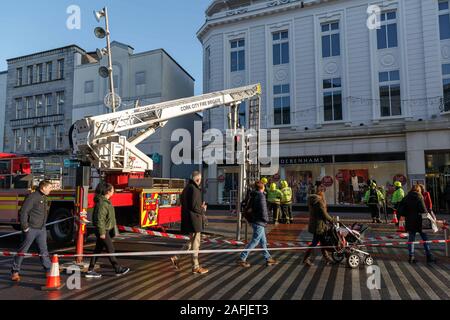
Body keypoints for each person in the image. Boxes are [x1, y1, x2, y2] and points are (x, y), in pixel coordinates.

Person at [11, 180, 53, 282]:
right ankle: (15, 272)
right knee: (23, 251)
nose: (51, 189)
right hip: (31, 229)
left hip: (41, 229)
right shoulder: (32, 197)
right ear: (43, 188)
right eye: (49, 187)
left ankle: (48, 269)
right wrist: (25, 227)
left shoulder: (44, 197)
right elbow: (23, 212)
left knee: (43, 250)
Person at [85, 182, 130, 278]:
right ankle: (117, 269)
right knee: (110, 249)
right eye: (113, 190)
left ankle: (90, 270)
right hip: (103, 230)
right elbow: (99, 219)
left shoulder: (105, 201)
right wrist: (102, 232)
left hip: (104, 229)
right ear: (108, 191)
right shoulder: (102, 203)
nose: (114, 191)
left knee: (98, 250)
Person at [171, 171, 209, 274]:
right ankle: (195, 267)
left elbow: (187, 204)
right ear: (197, 179)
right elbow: (195, 207)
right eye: (200, 179)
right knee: (195, 244)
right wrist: (203, 208)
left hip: (188, 220)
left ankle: (176, 257)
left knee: (191, 242)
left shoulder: (186, 188)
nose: (200, 181)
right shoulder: (195, 189)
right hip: (195, 220)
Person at [237, 181, 279, 268]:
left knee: (263, 242)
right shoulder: (261, 196)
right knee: (255, 241)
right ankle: (242, 258)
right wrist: (266, 220)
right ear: (262, 187)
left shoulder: (254, 195)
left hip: (255, 220)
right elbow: (264, 210)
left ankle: (268, 258)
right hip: (259, 221)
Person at [398, 185, 436, 264]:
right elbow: (423, 210)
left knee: (411, 239)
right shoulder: (419, 197)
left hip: (410, 222)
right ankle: (429, 256)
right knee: (425, 238)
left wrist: (407, 215)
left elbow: (401, 210)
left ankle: (411, 256)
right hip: (419, 222)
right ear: (418, 190)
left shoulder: (406, 198)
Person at [302, 187, 335, 266]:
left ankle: (327, 258)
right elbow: (324, 214)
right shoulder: (319, 202)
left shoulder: (312, 201)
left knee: (322, 242)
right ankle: (305, 259)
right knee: (315, 243)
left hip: (315, 225)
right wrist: (332, 220)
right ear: (320, 194)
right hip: (319, 226)